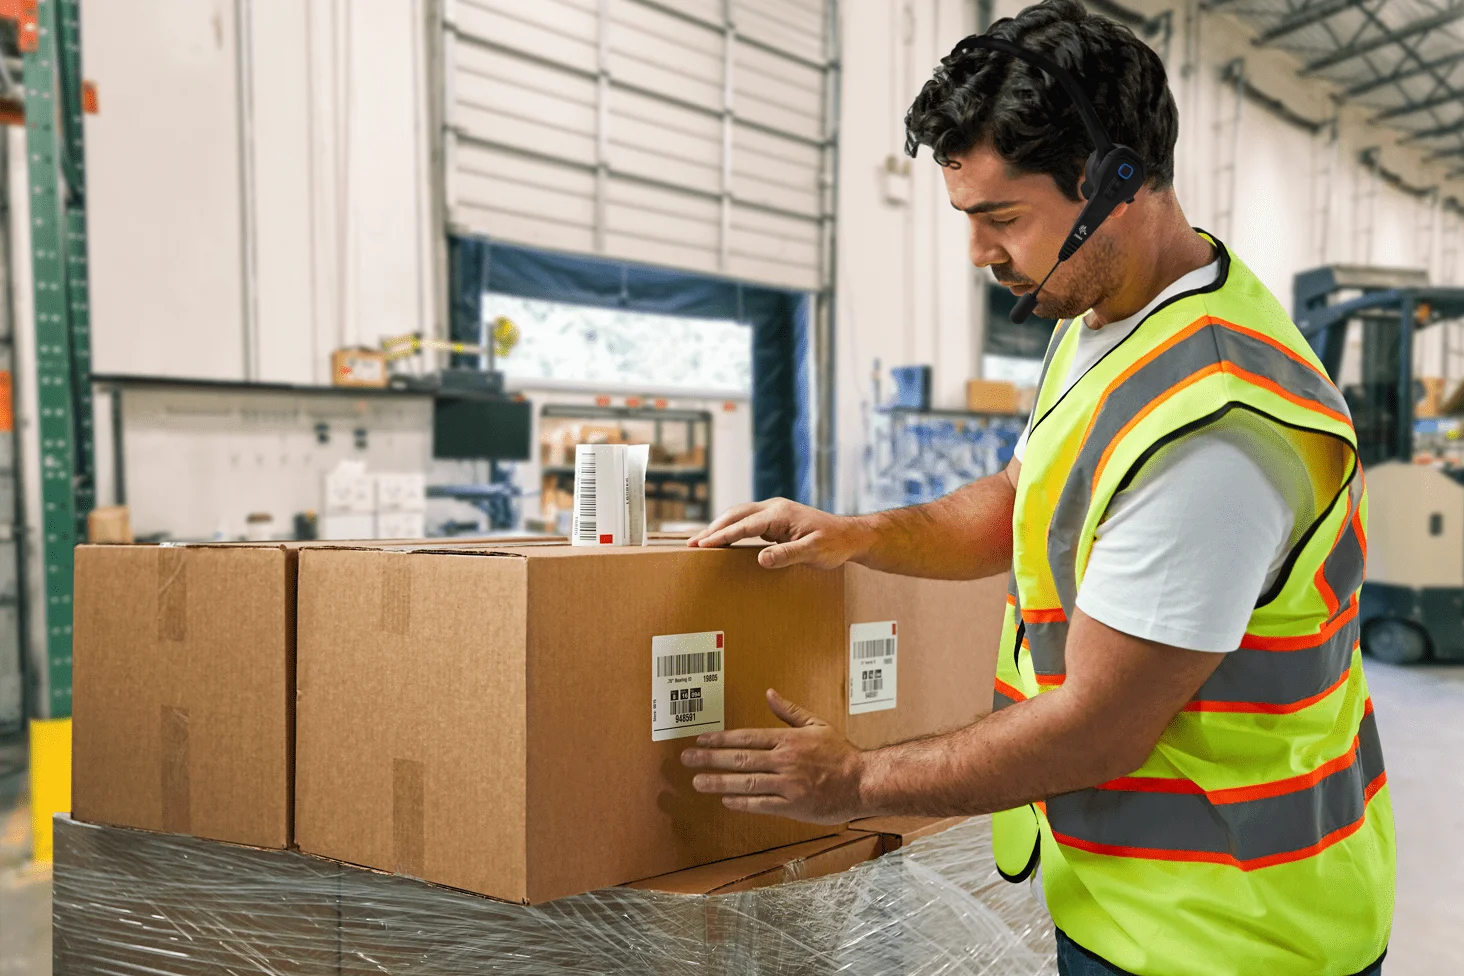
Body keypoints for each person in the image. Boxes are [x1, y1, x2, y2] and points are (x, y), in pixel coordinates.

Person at [679, 2, 1395, 974]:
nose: (979, 254)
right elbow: (1025, 497)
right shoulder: (1107, 317)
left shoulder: (1216, 434)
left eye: (1002, 218)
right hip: (1140, 895)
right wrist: (859, 533)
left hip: (1227, 930)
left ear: (1117, 183)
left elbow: (1098, 729)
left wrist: (855, 782)